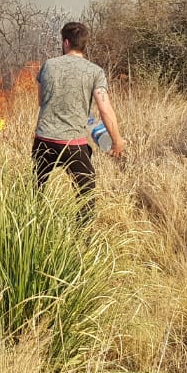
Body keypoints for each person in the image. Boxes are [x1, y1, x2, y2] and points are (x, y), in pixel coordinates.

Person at [33, 21, 126, 224]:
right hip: (71, 144)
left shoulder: (48, 65)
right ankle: (80, 241)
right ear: (84, 44)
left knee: (37, 189)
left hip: (43, 140)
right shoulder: (94, 71)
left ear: (66, 42)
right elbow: (104, 109)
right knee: (85, 192)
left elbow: (41, 102)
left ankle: (33, 230)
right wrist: (116, 140)